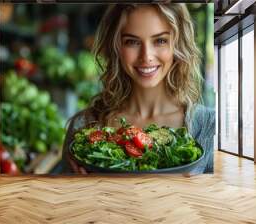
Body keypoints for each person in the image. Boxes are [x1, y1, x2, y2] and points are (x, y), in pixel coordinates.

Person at [61, 3, 215, 174]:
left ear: (177, 45)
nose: (146, 56)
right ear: (116, 47)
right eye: (132, 42)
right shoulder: (81, 126)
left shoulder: (209, 125)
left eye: (160, 40)